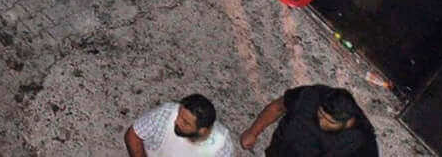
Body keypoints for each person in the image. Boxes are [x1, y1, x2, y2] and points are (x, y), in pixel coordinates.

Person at [239, 85, 375, 156]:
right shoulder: (310, 95)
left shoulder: (361, 140)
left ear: (348, 122)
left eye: (330, 122)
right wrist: (253, 132)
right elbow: (278, 107)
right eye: (321, 114)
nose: (322, 122)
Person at [124, 95, 238, 157]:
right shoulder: (165, 114)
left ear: (202, 131)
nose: (177, 122)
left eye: (185, 123)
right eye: (179, 114)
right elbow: (133, 136)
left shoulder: (221, 147)